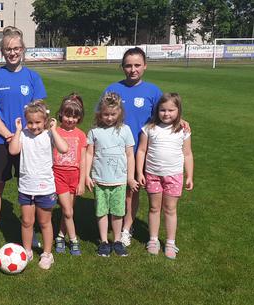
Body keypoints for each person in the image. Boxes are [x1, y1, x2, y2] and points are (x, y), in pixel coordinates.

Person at [0, 26, 47, 253]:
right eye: (8, 49)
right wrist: (11, 136)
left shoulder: (33, 77)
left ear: (23, 49)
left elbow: (40, 111)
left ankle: (33, 232)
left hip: (28, 142)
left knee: (30, 189)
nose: (12, 52)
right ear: (2, 51)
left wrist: (21, 136)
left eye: (16, 48)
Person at [100, 47, 163, 248]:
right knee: (114, 191)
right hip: (115, 153)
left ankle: (127, 228)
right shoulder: (112, 89)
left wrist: (182, 122)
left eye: (137, 65)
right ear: (122, 67)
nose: (132, 69)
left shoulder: (153, 91)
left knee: (132, 192)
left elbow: (165, 116)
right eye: (128, 65)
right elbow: (101, 117)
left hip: (141, 152)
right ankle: (115, 226)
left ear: (145, 66)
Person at [8, 101, 68, 270]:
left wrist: (54, 130)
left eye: (38, 122)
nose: (34, 126)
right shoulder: (24, 134)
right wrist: (18, 130)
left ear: (45, 121)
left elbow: (64, 148)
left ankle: (47, 254)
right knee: (27, 222)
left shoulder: (49, 135)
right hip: (26, 187)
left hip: (45, 188)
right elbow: (13, 151)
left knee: (44, 222)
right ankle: (27, 251)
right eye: (30, 122)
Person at [136, 93, 194, 260]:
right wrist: (140, 172)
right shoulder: (149, 128)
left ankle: (170, 242)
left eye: (171, 110)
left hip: (174, 176)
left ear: (178, 111)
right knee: (154, 208)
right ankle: (153, 240)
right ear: (157, 111)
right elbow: (141, 151)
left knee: (170, 209)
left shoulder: (183, 130)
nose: (166, 114)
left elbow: (188, 154)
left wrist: (189, 175)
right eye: (162, 110)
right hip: (153, 175)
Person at [85, 92, 139, 257]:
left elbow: (130, 155)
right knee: (101, 211)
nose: (109, 118)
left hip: (120, 181)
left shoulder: (125, 130)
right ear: (100, 113)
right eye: (106, 114)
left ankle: (117, 240)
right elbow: (89, 154)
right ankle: (103, 241)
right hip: (100, 180)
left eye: (113, 114)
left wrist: (130, 177)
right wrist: (87, 175)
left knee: (117, 212)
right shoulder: (94, 131)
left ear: (119, 113)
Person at [52, 93, 87, 256]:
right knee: (67, 211)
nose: (70, 119)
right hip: (59, 175)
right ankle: (73, 240)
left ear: (79, 117)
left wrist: (81, 182)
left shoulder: (81, 135)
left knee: (68, 212)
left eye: (74, 116)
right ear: (61, 114)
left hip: (75, 176)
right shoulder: (55, 132)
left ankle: (60, 235)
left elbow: (83, 160)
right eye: (67, 115)